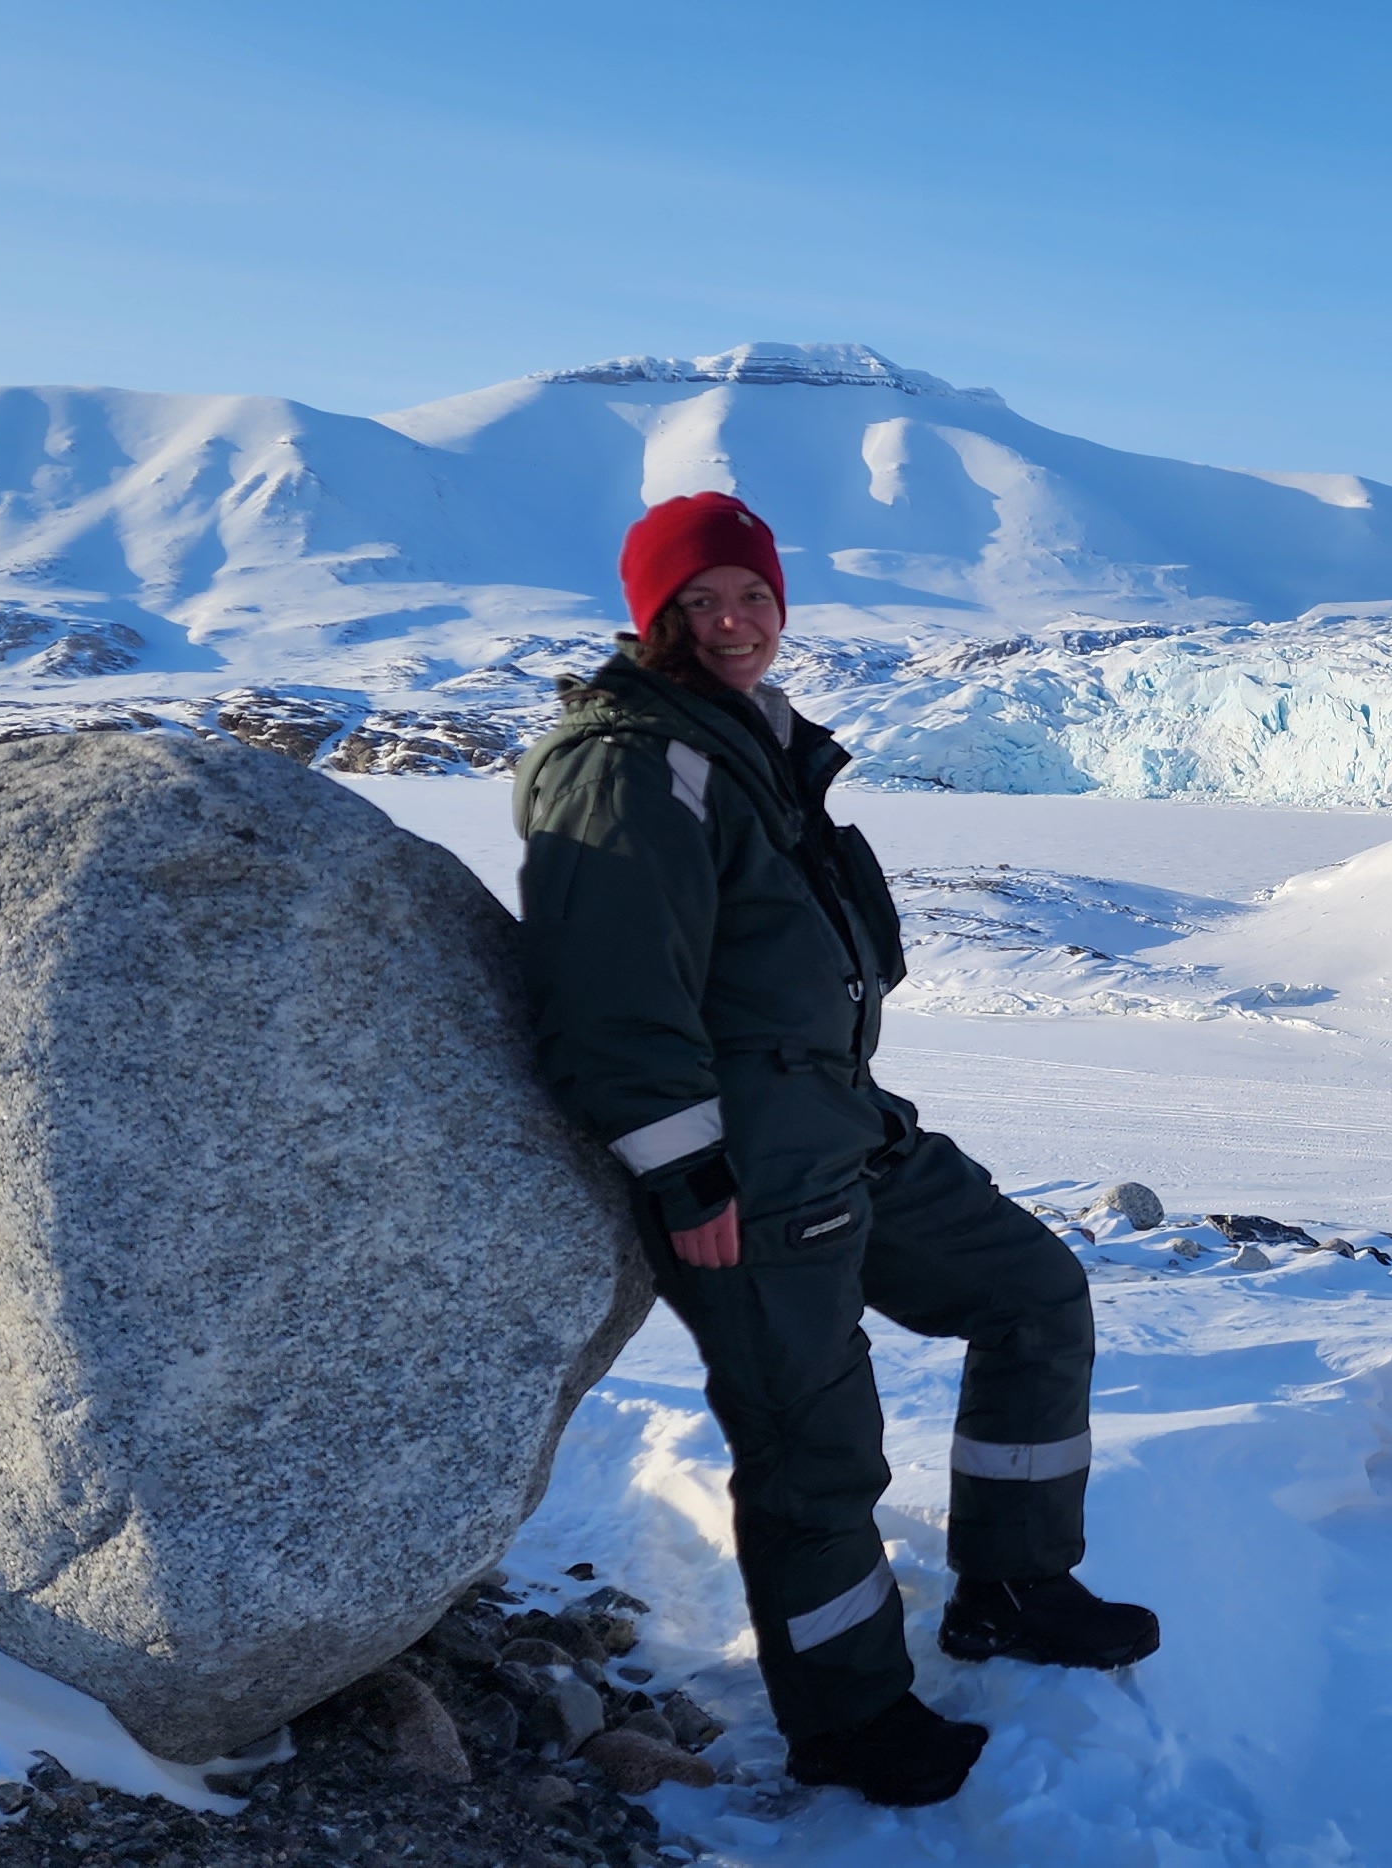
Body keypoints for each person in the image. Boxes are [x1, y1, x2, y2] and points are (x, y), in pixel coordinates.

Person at [512, 491, 1158, 1807]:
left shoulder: (747, 738)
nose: (735, 621)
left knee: (1034, 1294)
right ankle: (851, 1718)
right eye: (702, 603)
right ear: (657, 619)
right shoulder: (636, 760)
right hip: (743, 1167)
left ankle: (1014, 1582)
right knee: (813, 1445)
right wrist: (687, 1173)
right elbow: (609, 991)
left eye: (751, 596)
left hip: (840, 1126)